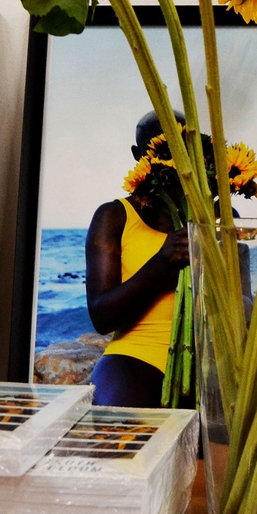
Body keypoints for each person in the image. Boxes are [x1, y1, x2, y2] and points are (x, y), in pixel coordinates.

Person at [84, 112, 190, 407]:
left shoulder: (218, 217)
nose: (172, 160)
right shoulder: (114, 216)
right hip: (137, 352)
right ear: (138, 155)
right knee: (118, 429)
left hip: (207, 357)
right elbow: (101, 315)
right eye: (162, 151)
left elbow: (241, 302)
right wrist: (162, 264)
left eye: (184, 148)